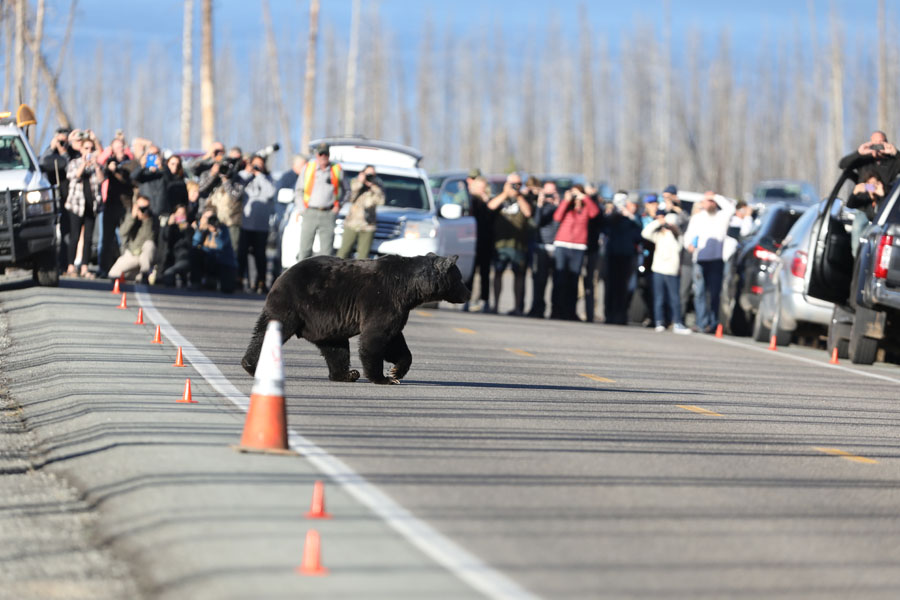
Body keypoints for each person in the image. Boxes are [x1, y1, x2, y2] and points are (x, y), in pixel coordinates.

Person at [684, 190, 736, 333]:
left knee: (714, 293)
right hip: (699, 260)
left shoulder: (722, 216)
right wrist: (688, 244)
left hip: (716, 260)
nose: (709, 203)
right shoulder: (698, 218)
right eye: (706, 201)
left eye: (711, 201)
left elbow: (731, 208)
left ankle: (713, 323)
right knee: (699, 292)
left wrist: (716, 197)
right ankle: (701, 322)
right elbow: (688, 236)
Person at [487, 172, 533, 315]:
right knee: (498, 274)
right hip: (501, 245)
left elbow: (528, 213)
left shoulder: (524, 198)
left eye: (518, 184)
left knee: (519, 275)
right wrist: (505, 194)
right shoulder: (501, 198)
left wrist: (518, 196)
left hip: (518, 245)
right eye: (513, 183)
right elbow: (490, 206)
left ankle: (517, 307)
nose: (515, 186)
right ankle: (495, 305)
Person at [552, 185, 600, 320]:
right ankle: (556, 310)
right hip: (562, 244)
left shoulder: (586, 208)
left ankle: (570, 311)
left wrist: (585, 198)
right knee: (560, 278)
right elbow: (557, 217)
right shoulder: (567, 206)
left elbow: (595, 213)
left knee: (573, 281)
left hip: (578, 247)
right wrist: (566, 201)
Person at [642, 212, 691, 334]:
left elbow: (680, 246)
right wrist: (659, 222)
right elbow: (645, 233)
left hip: (672, 270)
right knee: (659, 297)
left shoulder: (678, 236)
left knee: (674, 298)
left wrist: (675, 230)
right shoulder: (659, 235)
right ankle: (659, 321)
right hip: (658, 269)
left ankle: (677, 322)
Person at [64, 137, 104, 278]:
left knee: (88, 239)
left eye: (91, 149)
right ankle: (71, 266)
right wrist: (83, 164)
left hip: (91, 206)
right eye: (86, 148)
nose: (89, 151)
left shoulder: (96, 165)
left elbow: (101, 179)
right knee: (74, 237)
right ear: (81, 149)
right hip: (76, 205)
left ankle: (85, 268)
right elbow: (73, 176)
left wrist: (96, 165)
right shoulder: (74, 163)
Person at [40, 126, 78, 270]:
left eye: (64, 141)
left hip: (68, 197)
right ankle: (49, 263)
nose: (62, 144)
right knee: (50, 230)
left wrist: (64, 154)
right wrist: (51, 147)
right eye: (60, 141)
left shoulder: (72, 153)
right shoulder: (50, 152)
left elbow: (71, 169)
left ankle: (64, 262)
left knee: (66, 231)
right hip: (52, 196)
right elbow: (42, 163)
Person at [297, 143, 344, 261]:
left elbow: (347, 191)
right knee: (305, 250)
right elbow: (298, 190)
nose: (323, 156)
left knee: (326, 253)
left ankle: (324, 279)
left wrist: (339, 205)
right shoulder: (308, 168)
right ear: (317, 155)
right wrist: (302, 209)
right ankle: (302, 277)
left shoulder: (336, 169)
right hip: (310, 212)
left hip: (328, 214)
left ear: (329, 155)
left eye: (326, 154)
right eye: (321, 153)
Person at [237, 154, 276, 293]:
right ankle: (240, 280)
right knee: (242, 254)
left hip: (261, 225)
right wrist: (249, 172)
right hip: (245, 224)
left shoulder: (268, 179)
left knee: (260, 255)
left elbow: (270, 192)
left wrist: (260, 175)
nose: (257, 167)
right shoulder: (243, 176)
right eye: (255, 164)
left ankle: (260, 282)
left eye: (260, 164)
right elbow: (238, 188)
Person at [603, 192, 643, 325]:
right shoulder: (615, 217)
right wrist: (616, 214)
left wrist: (631, 217)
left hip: (626, 256)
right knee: (611, 286)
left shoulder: (634, 220)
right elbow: (606, 227)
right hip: (613, 255)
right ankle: (609, 314)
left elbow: (639, 235)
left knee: (623, 287)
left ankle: (621, 314)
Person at [98, 138, 136, 276]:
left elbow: (130, 181)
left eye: (121, 146)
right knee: (106, 240)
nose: (120, 149)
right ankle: (103, 269)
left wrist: (116, 172)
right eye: (116, 147)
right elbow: (99, 169)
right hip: (110, 205)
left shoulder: (130, 163)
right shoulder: (109, 162)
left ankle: (125, 270)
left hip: (126, 206)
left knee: (124, 239)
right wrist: (108, 167)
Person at [527, 180, 560, 318]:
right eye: (546, 193)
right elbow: (536, 222)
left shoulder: (561, 206)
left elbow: (560, 222)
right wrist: (540, 204)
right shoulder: (538, 206)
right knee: (539, 281)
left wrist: (559, 204)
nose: (549, 196)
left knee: (557, 282)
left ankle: (555, 310)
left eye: (551, 193)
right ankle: (537, 309)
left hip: (557, 247)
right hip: (541, 247)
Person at [338, 164, 385, 259]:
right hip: (352, 224)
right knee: (343, 253)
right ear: (362, 173)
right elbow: (349, 197)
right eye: (367, 174)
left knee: (363, 257)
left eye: (372, 175)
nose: (369, 177)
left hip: (368, 225)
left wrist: (373, 187)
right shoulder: (355, 183)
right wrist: (361, 182)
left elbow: (381, 201)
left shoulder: (376, 187)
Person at [108, 195, 159, 282]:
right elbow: (122, 232)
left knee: (149, 245)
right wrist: (132, 217)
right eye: (141, 207)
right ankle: (139, 275)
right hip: (133, 253)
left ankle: (145, 273)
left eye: (146, 207)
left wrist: (146, 220)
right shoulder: (131, 216)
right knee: (113, 274)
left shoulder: (152, 219)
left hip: (145, 255)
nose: (143, 210)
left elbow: (149, 237)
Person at [662, 184, 693, 324]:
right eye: (665, 197)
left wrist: (676, 208)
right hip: (664, 256)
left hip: (682, 257)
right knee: (662, 291)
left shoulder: (684, 209)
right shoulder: (662, 210)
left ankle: (678, 319)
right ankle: (663, 318)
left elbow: (687, 223)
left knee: (680, 292)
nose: (667, 200)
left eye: (669, 197)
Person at [465, 169, 494, 312]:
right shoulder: (470, 200)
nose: (481, 189)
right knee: (469, 273)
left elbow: (491, 216)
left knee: (484, 273)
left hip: (486, 241)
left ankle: (485, 300)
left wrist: (486, 199)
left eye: (484, 187)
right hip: (472, 240)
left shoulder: (489, 201)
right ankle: (466, 299)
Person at [191, 210, 237, 293]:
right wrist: (200, 231)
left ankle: (215, 280)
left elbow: (220, 246)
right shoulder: (201, 227)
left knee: (227, 289)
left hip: (222, 262)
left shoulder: (222, 228)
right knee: (195, 253)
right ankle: (197, 282)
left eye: (211, 217)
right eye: (206, 217)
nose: (209, 220)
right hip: (208, 260)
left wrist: (216, 233)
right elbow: (194, 244)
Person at [847, 172, 887, 257]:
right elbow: (850, 205)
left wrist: (882, 195)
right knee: (859, 220)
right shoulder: (863, 198)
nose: (872, 187)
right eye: (870, 184)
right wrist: (855, 191)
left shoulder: (883, 198)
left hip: (876, 231)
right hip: (862, 231)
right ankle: (857, 256)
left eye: (875, 184)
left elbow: (885, 213)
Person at [582, 183, 606, 322]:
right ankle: (570, 310)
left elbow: (595, 214)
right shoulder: (576, 204)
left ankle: (590, 313)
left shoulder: (596, 205)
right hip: (577, 248)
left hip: (592, 249)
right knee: (577, 284)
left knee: (591, 283)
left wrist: (588, 198)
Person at [160, 204, 195, 287]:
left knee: (172, 272)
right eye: (178, 213)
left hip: (183, 258)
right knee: (168, 281)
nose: (180, 216)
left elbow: (188, 243)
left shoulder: (189, 229)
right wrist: (169, 225)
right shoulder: (170, 227)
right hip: (170, 259)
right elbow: (165, 239)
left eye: (183, 214)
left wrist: (186, 229)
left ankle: (184, 277)